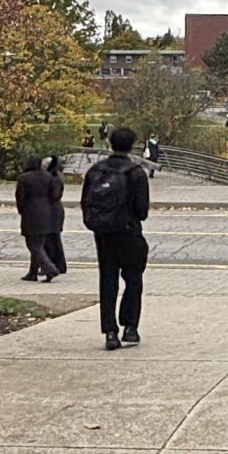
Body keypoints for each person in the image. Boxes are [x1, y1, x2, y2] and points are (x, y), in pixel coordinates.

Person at [81, 124, 150, 349]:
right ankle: (130, 327)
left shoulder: (95, 171)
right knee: (133, 279)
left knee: (107, 280)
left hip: (103, 233)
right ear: (132, 145)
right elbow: (142, 211)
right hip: (128, 231)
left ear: (110, 143)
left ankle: (110, 331)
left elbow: (85, 203)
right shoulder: (136, 173)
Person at [14, 155, 60, 282]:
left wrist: (22, 211)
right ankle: (33, 272)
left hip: (31, 212)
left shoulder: (23, 178)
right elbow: (53, 194)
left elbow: (20, 197)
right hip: (46, 212)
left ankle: (50, 268)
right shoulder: (48, 176)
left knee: (33, 245)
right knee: (39, 243)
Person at [40, 154, 68, 276]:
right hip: (53, 210)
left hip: (53, 211)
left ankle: (56, 265)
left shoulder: (54, 179)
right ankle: (57, 264)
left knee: (52, 239)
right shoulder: (53, 178)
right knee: (52, 239)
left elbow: (55, 195)